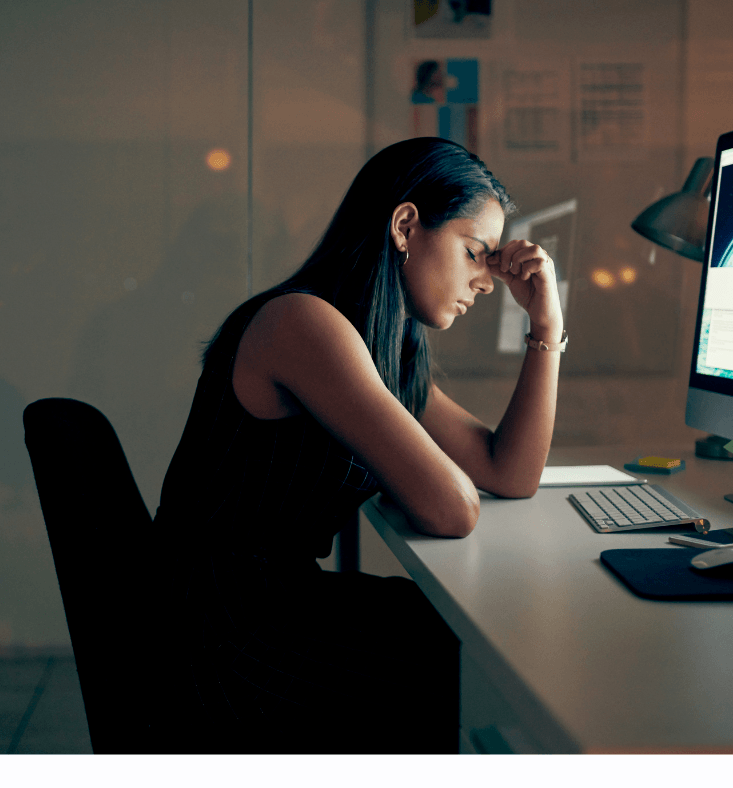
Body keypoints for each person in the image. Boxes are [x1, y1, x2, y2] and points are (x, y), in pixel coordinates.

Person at [149, 137, 565, 754]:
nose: (485, 282)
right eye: (476, 252)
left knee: (462, 637)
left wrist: (547, 326)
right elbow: (454, 509)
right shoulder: (303, 325)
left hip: (265, 608)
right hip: (218, 635)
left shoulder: (380, 347)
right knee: (464, 661)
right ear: (405, 226)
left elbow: (510, 472)